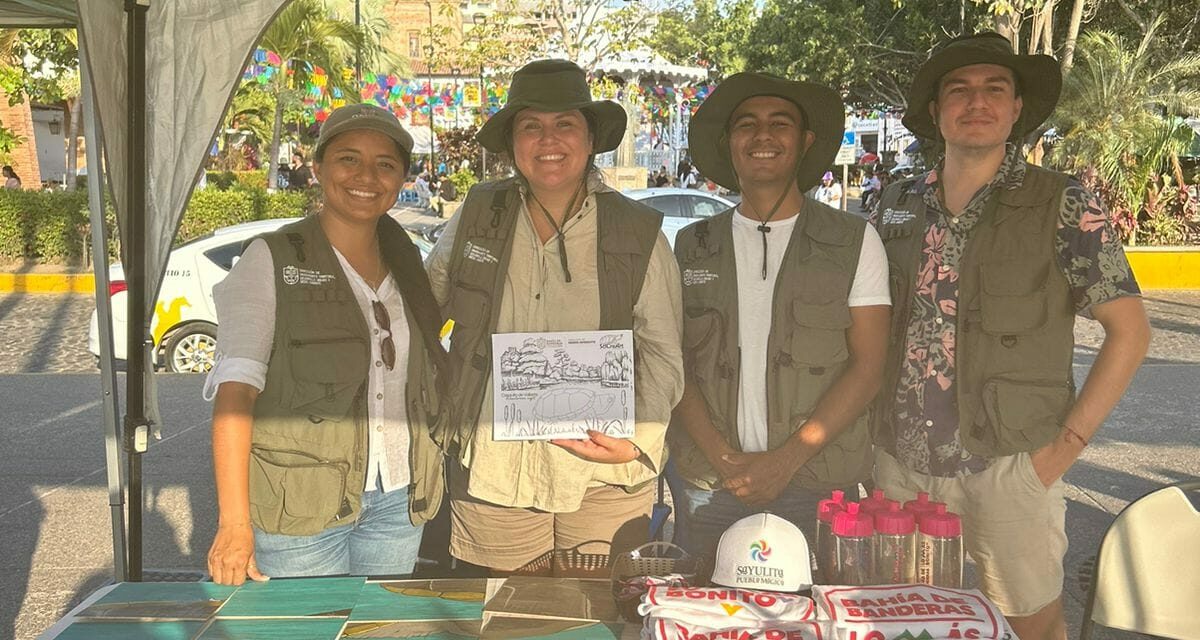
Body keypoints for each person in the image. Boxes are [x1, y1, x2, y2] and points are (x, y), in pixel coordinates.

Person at [871, 33, 1149, 640]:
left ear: (1017, 107)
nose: (977, 102)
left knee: (1032, 622)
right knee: (909, 622)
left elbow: (1129, 331)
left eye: (995, 88)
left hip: (1009, 461)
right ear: (937, 110)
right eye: (959, 90)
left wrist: (1060, 452)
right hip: (899, 462)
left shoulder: (1063, 202)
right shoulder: (896, 202)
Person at [426, 59, 684, 577]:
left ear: (589, 138)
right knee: (505, 619)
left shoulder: (636, 231)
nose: (549, 140)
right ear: (513, 142)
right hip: (494, 468)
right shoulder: (477, 214)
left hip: (604, 474)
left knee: (597, 617)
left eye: (565, 123)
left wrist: (637, 442)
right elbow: (424, 314)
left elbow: (662, 351)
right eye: (531, 126)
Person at [203, 103, 448, 585]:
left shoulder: (409, 263)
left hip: (399, 496)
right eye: (348, 159)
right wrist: (234, 525)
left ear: (401, 177)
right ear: (317, 168)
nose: (366, 176)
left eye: (385, 164)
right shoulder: (271, 257)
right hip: (300, 506)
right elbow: (236, 392)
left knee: (378, 633)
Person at [668, 72, 891, 559]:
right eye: (746, 124)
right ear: (729, 143)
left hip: (817, 482)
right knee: (706, 624)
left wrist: (787, 460)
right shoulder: (692, 246)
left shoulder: (854, 242)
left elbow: (869, 366)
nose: (763, 135)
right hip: (710, 483)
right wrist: (721, 457)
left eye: (780, 123)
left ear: (805, 141)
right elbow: (672, 361)